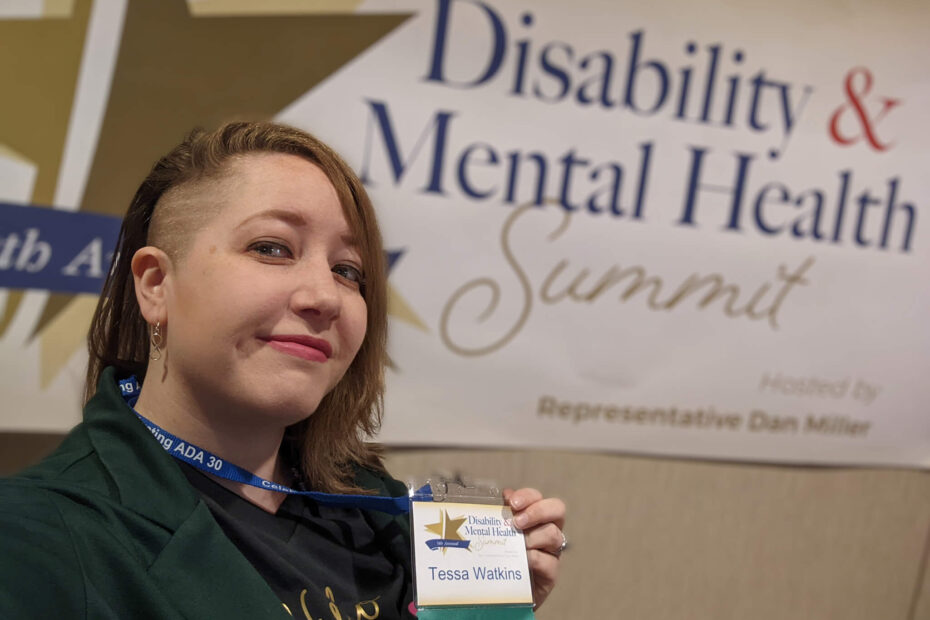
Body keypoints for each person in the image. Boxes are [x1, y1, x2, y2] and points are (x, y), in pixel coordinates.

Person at [0, 121, 566, 619]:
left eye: (349, 271)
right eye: (272, 248)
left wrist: (483, 609)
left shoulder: (387, 517)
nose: (325, 295)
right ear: (155, 284)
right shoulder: (32, 541)